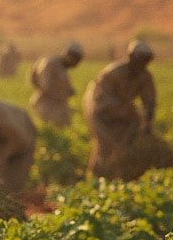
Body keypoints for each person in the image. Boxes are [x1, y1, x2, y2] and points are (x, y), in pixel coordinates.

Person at [82, 39, 157, 177]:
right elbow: (102, 101)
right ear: (131, 57)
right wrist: (124, 113)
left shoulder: (144, 77)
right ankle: (98, 175)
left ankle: (120, 175)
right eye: (140, 60)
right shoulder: (113, 73)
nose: (143, 64)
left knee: (125, 142)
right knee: (105, 144)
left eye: (146, 61)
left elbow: (149, 102)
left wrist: (147, 122)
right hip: (98, 109)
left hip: (121, 110)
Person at [28, 41, 84, 128]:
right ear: (69, 56)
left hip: (56, 107)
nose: (75, 65)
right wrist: (62, 97)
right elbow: (45, 86)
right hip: (46, 106)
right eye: (75, 61)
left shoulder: (61, 66)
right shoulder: (51, 63)